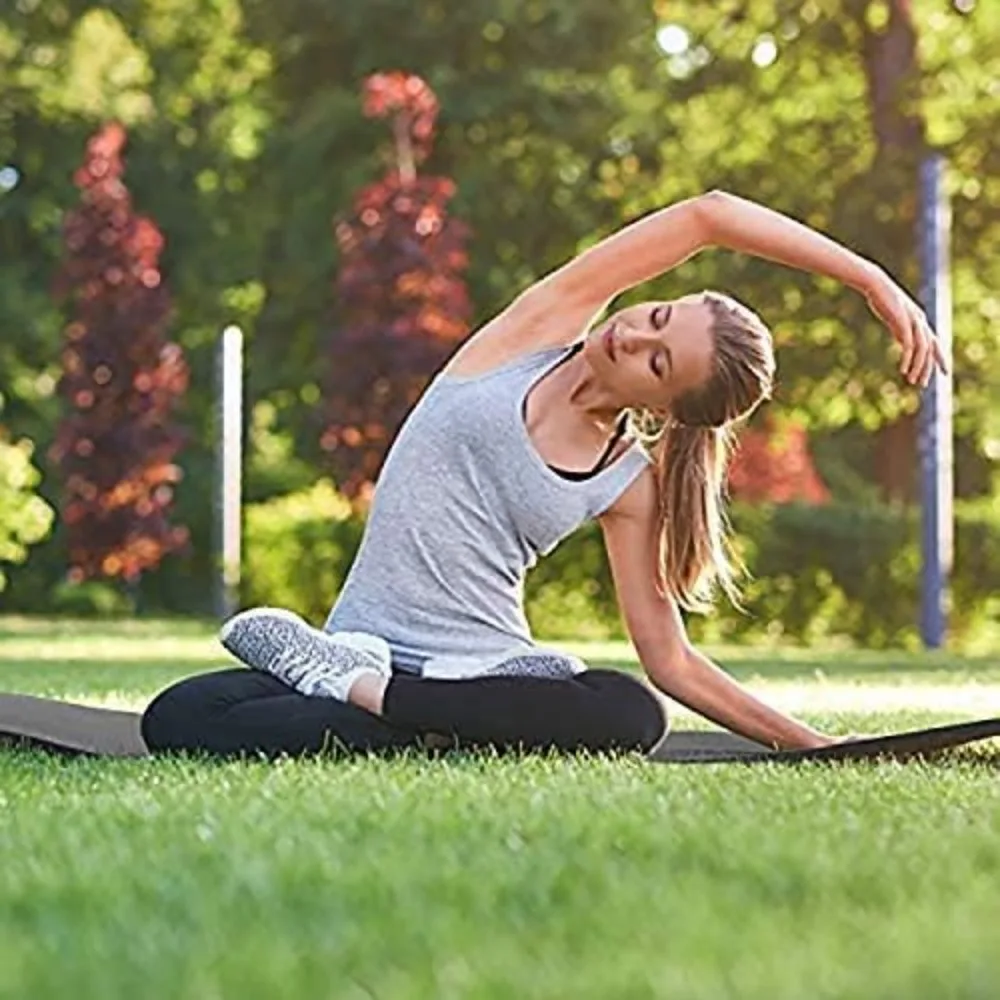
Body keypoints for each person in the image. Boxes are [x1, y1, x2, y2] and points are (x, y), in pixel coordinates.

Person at [141, 190, 947, 761]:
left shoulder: (627, 483)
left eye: (658, 361)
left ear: (663, 406)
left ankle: (370, 701)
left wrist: (814, 744)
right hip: (364, 642)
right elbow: (709, 215)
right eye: (657, 317)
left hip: (486, 671)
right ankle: (387, 700)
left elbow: (670, 664)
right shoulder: (536, 328)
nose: (632, 337)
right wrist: (870, 279)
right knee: (180, 717)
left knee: (632, 712)